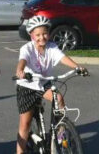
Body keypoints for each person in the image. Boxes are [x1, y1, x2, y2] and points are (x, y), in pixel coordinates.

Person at [15, 15, 87, 154]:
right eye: (38, 35)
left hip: (44, 83)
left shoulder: (51, 47)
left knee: (58, 98)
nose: (42, 37)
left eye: (45, 33)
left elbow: (63, 58)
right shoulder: (27, 48)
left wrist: (77, 67)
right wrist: (20, 70)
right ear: (31, 35)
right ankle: (19, 152)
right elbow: (22, 60)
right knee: (25, 124)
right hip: (28, 85)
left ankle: (61, 133)